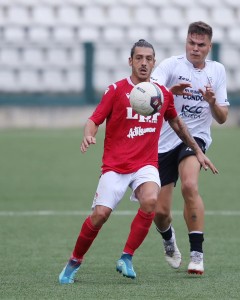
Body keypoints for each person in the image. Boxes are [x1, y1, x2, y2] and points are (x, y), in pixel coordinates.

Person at [58, 39, 218, 284]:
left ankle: (126, 256)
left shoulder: (161, 93)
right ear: (130, 61)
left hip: (145, 165)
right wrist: (89, 134)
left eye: (149, 59)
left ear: (154, 63)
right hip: (115, 165)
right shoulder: (115, 90)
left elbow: (177, 124)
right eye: (139, 58)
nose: (144, 63)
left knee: (151, 200)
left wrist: (197, 150)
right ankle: (75, 260)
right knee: (100, 215)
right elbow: (94, 119)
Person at [151, 21, 230, 275]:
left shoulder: (217, 71)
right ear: (186, 42)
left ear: (209, 47)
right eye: (191, 43)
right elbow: (151, 91)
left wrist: (212, 102)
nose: (195, 48)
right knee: (160, 211)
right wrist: (167, 92)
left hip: (195, 139)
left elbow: (222, 117)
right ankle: (168, 240)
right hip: (164, 140)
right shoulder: (171, 65)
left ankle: (197, 255)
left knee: (189, 184)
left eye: (201, 45)